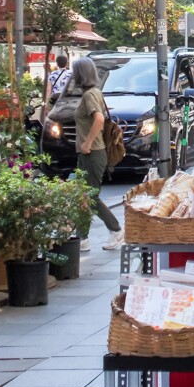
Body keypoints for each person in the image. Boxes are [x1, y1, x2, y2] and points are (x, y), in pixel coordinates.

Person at [71, 56, 124, 252]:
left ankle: (116, 230)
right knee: (83, 195)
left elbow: (99, 119)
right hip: (89, 153)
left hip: (93, 153)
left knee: (90, 196)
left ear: (80, 74)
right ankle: (82, 237)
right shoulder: (93, 92)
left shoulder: (89, 95)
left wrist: (87, 142)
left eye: (74, 71)